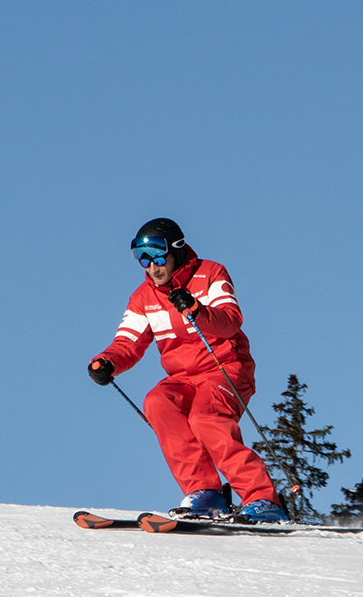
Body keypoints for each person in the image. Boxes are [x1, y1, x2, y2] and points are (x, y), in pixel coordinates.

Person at [85, 218, 287, 523]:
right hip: (184, 378)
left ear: (176, 251)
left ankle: (262, 498)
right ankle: (206, 493)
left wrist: (196, 309)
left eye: (157, 256)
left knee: (205, 418)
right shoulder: (144, 298)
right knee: (158, 402)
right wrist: (108, 361)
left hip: (226, 367)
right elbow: (127, 342)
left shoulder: (210, 274)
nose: (151, 266)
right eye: (143, 259)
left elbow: (231, 320)